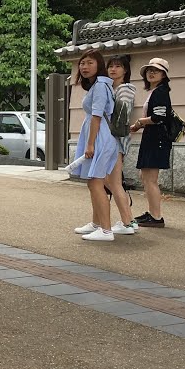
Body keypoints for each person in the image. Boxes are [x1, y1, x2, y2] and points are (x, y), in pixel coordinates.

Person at [70, 49, 122, 241]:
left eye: (90, 63)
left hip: (100, 138)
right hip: (102, 137)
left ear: (99, 65)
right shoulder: (99, 85)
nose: (84, 67)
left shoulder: (100, 86)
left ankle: (106, 230)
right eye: (82, 63)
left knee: (95, 183)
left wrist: (90, 144)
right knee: (94, 182)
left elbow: (97, 117)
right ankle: (97, 223)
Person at [131, 57, 174, 228]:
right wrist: (139, 125)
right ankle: (152, 213)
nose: (151, 72)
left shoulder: (161, 92)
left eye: (156, 70)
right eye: (149, 70)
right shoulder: (155, 91)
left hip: (157, 139)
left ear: (164, 74)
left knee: (150, 179)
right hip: (152, 138)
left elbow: (158, 117)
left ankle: (156, 217)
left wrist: (139, 123)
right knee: (145, 177)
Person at [105, 55, 137, 233]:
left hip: (115, 139)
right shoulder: (112, 88)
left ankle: (128, 222)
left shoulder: (125, 89)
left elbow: (121, 113)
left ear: (125, 70)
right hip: (114, 139)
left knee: (113, 181)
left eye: (118, 66)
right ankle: (129, 220)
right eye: (110, 66)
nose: (113, 69)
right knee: (110, 180)